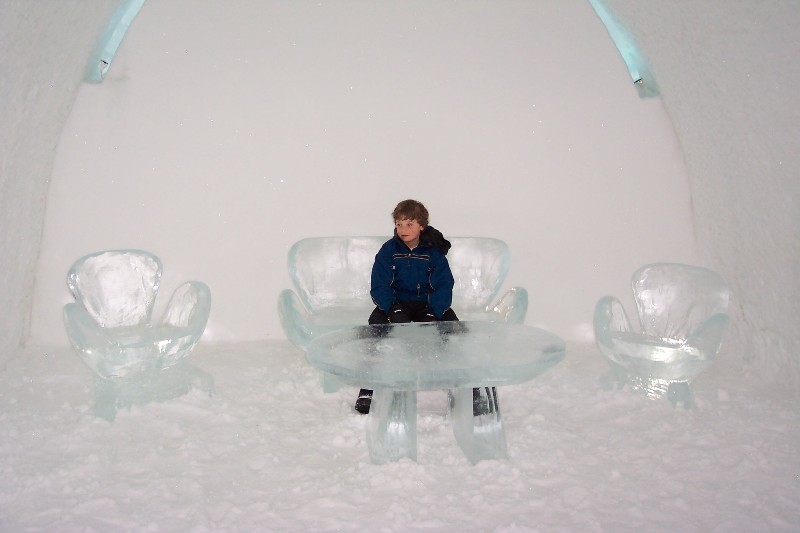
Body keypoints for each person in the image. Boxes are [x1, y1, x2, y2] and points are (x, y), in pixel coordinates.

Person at [355, 199, 494, 416]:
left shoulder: (434, 252)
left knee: (455, 333)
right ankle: (369, 387)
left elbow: (445, 284)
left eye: (409, 224)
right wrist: (392, 308)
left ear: (422, 226)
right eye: (399, 224)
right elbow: (379, 285)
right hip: (396, 304)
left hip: (427, 305)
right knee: (375, 331)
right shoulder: (388, 250)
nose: (403, 229)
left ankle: (468, 388)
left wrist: (434, 311)